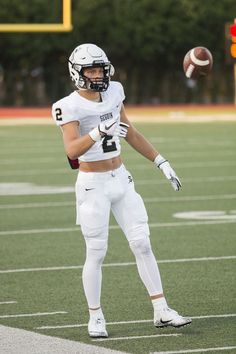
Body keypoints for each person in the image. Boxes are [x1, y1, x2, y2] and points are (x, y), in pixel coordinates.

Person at [52, 43, 192, 338]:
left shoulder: (115, 91)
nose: (97, 74)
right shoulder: (69, 105)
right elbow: (72, 150)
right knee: (97, 251)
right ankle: (95, 316)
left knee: (142, 243)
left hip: (121, 178)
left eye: (100, 68)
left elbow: (130, 130)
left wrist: (160, 160)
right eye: (90, 69)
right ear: (77, 73)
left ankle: (161, 309)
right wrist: (98, 131)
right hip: (93, 185)